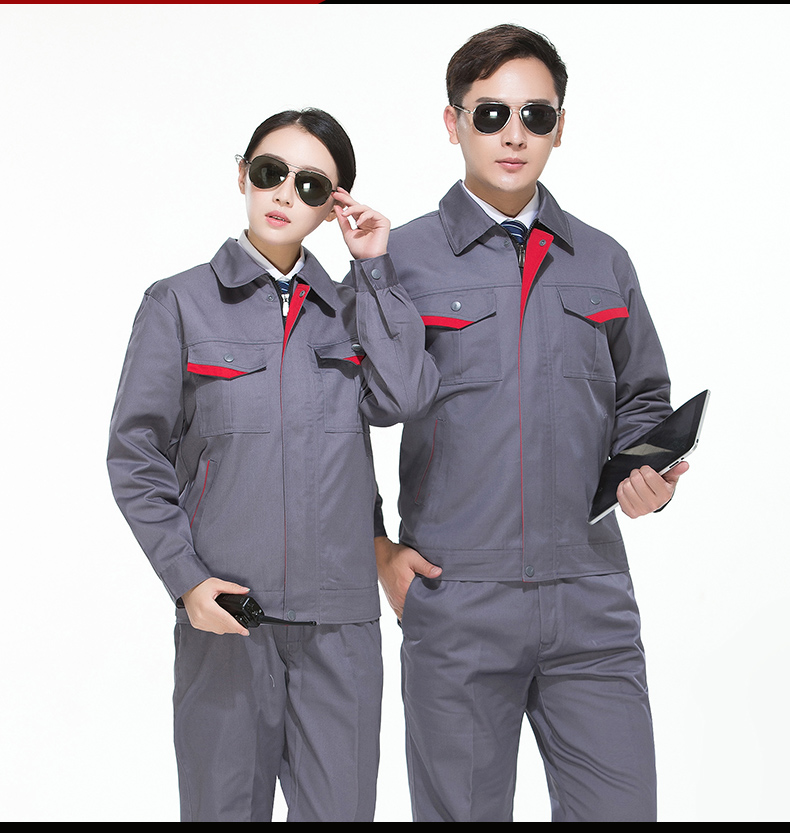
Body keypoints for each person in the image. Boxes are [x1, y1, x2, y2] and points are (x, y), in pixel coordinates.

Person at [373, 25, 689, 822]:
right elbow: (330, 422)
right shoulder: (399, 260)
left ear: (560, 126)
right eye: (490, 114)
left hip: (590, 597)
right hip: (456, 598)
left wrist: (646, 478)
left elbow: (644, 397)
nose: (513, 135)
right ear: (453, 123)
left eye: (535, 115)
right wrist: (376, 547)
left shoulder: (603, 260)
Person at [107, 108, 439, 822]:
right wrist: (186, 579)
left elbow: (406, 396)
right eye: (270, 172)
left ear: (333, 205)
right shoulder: (179, 303)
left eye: (311, 184)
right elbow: (135, 455)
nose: (286, 193)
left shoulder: (351, 309)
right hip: (229, 616)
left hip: (339, 624)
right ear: (242, 176)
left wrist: (374, 268)